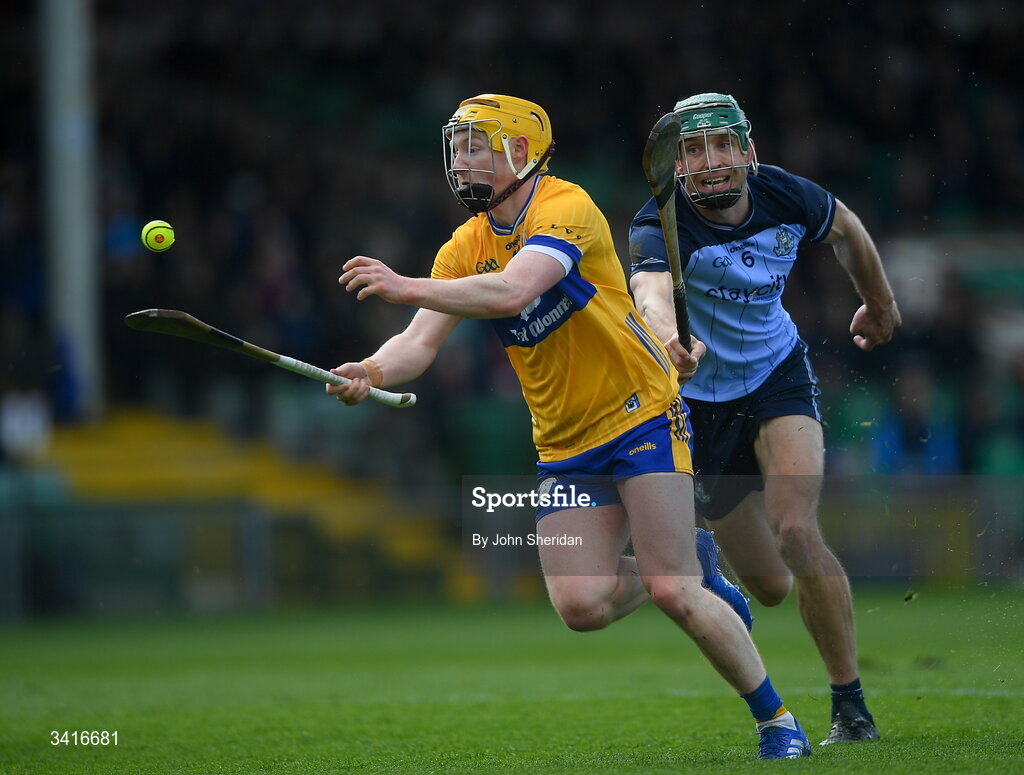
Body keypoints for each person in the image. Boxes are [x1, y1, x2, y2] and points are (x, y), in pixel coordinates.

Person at [328, 93, 810, 758]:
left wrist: (405, 284)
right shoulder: (463, 247)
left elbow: (514, 290)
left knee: (673, 590)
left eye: (477, 146)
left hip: (640, 412)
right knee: (582, 606)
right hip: (563, 442)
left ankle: (778, 720)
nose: (461, 160)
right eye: (458, 146)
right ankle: (694, 557)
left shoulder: (567, 208)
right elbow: (417, 343)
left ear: (520, 153)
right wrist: (373, 371)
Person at [628, 92, 901, 745]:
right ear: (678, 164)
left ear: (746, 149)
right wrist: (669, 338)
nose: (711, 160)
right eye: (693, 150)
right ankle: (720, 570)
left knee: (797, 533)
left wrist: (880, 303)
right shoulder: (655, 223)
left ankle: (851, 706)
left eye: (722, 144)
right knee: (772, 587)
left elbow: (849, 231)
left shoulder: (785, 195)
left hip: (778, 375)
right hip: (700, 407)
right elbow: (649, 292)